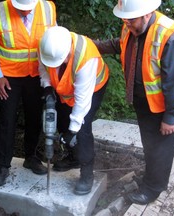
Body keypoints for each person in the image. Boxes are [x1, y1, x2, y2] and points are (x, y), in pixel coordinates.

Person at [93, 0, 174, 205]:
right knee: (150, 143)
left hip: (168, 103)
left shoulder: (171, 38)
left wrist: (170, 118)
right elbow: (120, 43)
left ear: (148, 13)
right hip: (144, 101)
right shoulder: (132, 24)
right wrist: (96, 45)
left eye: (131, 20)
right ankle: (151, 176)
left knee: (161, 147)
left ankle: (153, 188)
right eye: (125, 19)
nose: (127, 23)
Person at [0, 0, 57, 187]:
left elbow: (54, 40)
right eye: (20, 9)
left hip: (37, 74)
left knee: (34, 118)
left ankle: (31, 156)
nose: (24, 13)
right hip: (9, 77)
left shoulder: (47, 8)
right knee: (6, 120)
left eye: (28, 9)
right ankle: (2, 165)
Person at [39, 26, 109, 195]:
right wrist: (47, 86)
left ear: (68, 51)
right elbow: (43, 67)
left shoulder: (86, 57)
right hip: (65, 89)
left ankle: (87, 173)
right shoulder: (46, 46)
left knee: (82, 130)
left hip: (92, 88)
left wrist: (73, 130)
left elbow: (82, 101)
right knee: (63, 119)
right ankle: (74, 158)